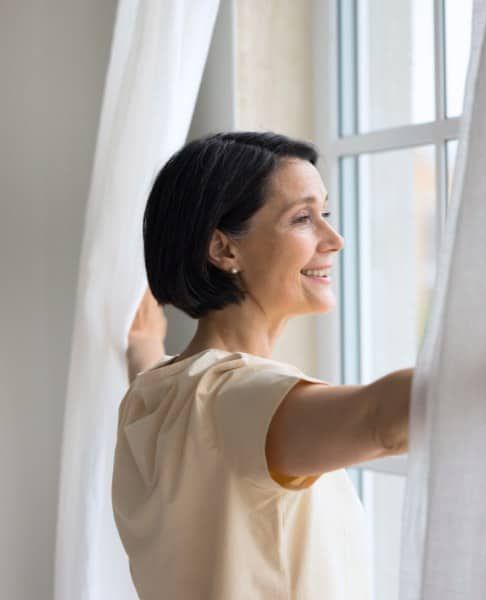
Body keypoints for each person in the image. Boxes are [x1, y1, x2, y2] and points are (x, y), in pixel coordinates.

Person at [112, 131, 411, 599]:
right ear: (224, 250)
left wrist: (143, 343)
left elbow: (148, 365)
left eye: (325, 214)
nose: (334, 239)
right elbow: (384, 421)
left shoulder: (156, 393)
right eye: (303, 219)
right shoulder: (241, 400)